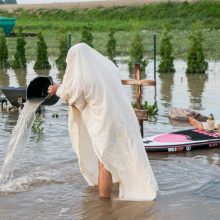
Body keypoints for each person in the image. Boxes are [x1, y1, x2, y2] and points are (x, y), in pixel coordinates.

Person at [48, 43, 158, 200]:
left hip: (104, 123)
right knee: (125, 154)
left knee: (104, 162)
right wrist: (62, 88)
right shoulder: (107, 69)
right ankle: (133, 185)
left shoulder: (83, 77)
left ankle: (103, 205)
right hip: (122, 118)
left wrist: (56, 90)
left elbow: (74, 99)